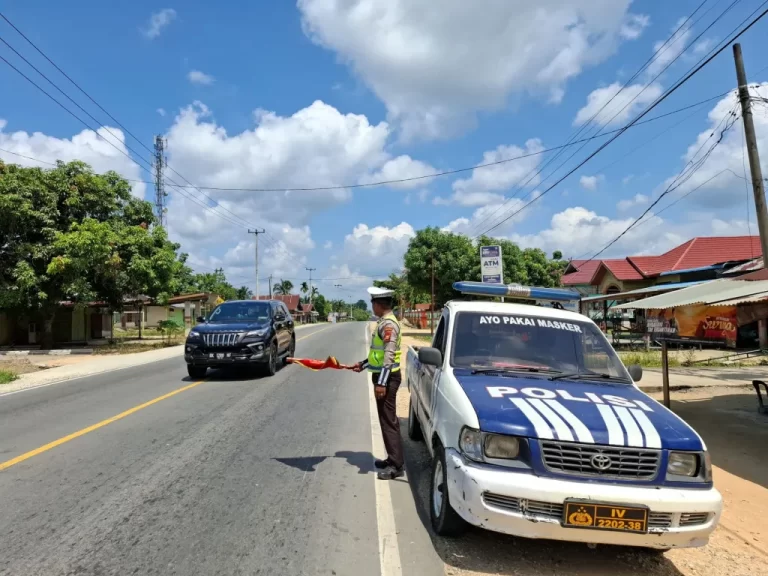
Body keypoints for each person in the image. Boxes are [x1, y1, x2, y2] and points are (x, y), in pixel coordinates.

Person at [353, 287, 404, 481]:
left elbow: (388, 356)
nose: (372, 306)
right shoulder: (383, 322)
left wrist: (381, 383)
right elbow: (377, 353)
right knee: (385, 419)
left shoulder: (389, 325)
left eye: (373, 303)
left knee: (389, 420)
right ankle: (392, 459)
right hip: (384, 376)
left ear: (379, 304)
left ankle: (396, 465)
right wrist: (363, 364)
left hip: (388, 378)